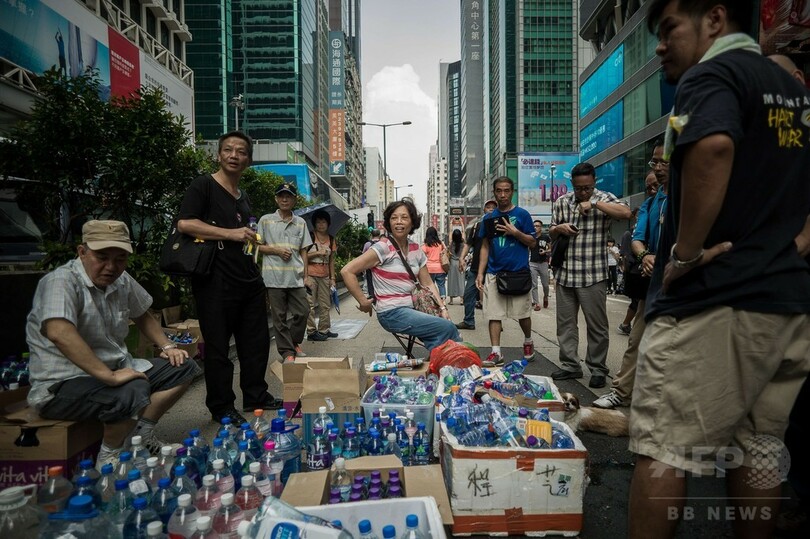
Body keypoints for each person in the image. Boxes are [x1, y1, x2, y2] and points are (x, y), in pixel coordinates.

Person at [629, 3, 810, 538]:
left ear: (714, 19)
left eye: (669, 29)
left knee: (664, 447)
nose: (661, 46)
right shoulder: (795, 93)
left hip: (714, 299)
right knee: (760, 448)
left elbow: (712, 147)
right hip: (785, 304)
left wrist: (685, 253)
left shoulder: (713, 73)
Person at [26, 220, 200, 469]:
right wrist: (110, 376)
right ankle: (110, 459)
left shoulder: (121, 280)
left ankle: (141, 435)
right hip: (62, 384)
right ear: (82, 252)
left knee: (184, 366)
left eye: (120, 259)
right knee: (133, 389)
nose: (111, 267)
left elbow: (142, 315)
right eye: (102, 257)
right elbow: (59, 332)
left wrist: (168, 346)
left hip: (115, 370)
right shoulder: (61, 281)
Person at [178, 131, 280, 426]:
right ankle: (221, 406)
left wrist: (251, 242)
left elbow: (243, 235)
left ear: (248, 160)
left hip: (247, 278)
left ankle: (255, 395)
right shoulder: (204, 186)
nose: (234, 155)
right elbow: (185, 223)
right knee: (219, 347)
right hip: (214, 280)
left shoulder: (242, 196)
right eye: (228, 150)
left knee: (256, 342)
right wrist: (229, 234)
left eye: (241, 152)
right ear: (219, 155)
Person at [594, 143, 669, 410]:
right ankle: (622, 391)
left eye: (663, 161)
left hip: (689, 285)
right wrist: (645, 256)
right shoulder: (652, 203)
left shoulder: (695, 194)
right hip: (656, 285)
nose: (657, 168)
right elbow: (637, 239)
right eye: (654, 162)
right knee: (637, 340)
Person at [549, 162, 630, 388]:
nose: (583, 192)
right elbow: (551, 231)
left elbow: (626, 212)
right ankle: (570, 365)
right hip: (565, 273)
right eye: (578, 188)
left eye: (587, 188)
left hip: (593, 274)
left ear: (594, 182)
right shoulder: (562, 201)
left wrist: (594, 203)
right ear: (572, 184)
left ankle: (597, 368)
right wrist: (560, 229)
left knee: (597, 325)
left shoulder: (604, 198)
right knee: (565, 325)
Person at [340, 199, 460, 352]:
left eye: (404, 217)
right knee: (447, 328)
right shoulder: (383, 247)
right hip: (391, 313)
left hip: (414, 308)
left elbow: (428, 283)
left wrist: (443, 308)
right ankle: (450, 362)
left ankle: (439, 361)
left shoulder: (416, 249)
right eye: (394, 218)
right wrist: (363, 301)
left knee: (446, 328)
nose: (398, 222)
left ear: (412, 222)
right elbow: (347, 271)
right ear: (389, 222)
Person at [475, 177, 537, 367]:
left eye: (506, 190)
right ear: (494, 192)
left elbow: (532, 242)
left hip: (519, 273)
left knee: (523, 314)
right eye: (499, 191)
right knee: (493, 314)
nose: (503, 195)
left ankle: (528, 341)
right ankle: (496, 352)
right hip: (494, 273)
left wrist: (515, 232)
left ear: (512, 192)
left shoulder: (522, 215)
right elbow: (485, 246)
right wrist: (480, 273)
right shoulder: (488, 218)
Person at [257, 183, 312, 362]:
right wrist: (276, 250)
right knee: (279, 318)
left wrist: (306, 276)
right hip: (273, 277)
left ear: (294, 200)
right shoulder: (265, 220)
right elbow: (256, 246)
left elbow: (304, 250)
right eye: (281, 196)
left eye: (288, 196)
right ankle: (287, 352)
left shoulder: (300, 222)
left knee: (303, 311)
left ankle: (293, 342)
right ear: (276, 199)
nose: (285, 199)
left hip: (295, 277)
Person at [456, 199, 497, 331]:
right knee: (469, 294)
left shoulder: (500, 225)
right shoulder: (476, 226)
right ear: (484, 210)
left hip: (494, 267)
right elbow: (468, 244)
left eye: (493, 207)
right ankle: (468, 321)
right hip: (475, 267)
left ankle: (496, 323)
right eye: (488, 207)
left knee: (494, 297)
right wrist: (461, 258)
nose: (491, 209)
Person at [305, 209, 338, 342]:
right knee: (310, 304)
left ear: (328, 223)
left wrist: (332, 278)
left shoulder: (331, 238)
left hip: (325, 276)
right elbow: (302, 257)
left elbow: (331, 260)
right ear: (314, 224)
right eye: (318, 222)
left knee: (325, 304)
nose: (321, 225)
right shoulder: (309, 237)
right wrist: (317, 253)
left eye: (323, 222)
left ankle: (324, 330)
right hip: (311, 274)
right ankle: (311, 331)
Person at [529, 220, 551, 311]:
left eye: (537, 226)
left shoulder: (545, 237)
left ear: (541, 227)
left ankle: (545, 297)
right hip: (532, 263)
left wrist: (545, 251)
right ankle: (536, 303)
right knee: (533, 284)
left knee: (545, 284)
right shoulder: (530, 237)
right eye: (534, 226)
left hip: (543, 263)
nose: (535, 227)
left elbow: (551, 248)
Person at [421, 226, 448, 299]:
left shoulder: (426, 245)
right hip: (440, 268)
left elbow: (421, 254)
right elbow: (446, 251)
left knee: (430, 285)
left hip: (429, 269)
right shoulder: (440, 244)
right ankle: (443, 300)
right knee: (441, 285)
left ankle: (433, 299)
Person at [446, 229, 465, 304]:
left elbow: (450, 233)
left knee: (451, 281)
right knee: (461, 281)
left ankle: (451, 300)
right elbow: (464, 233)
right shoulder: (463, 244)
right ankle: (461, 299)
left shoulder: (451, 243)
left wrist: (451, 224)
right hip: (461, 263)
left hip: (452, 263)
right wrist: (462, 224)